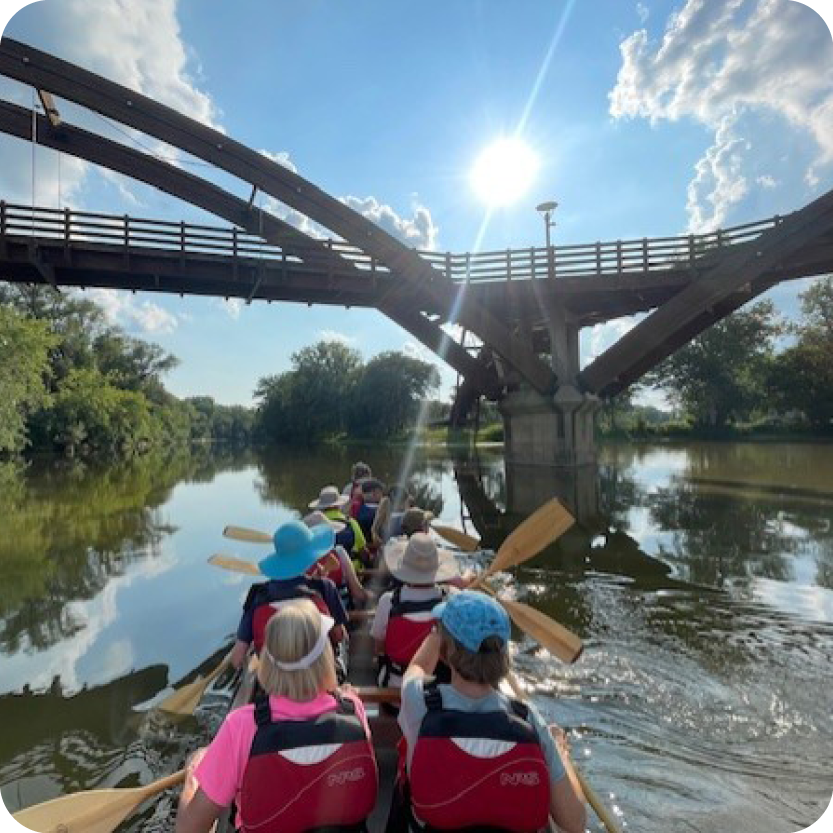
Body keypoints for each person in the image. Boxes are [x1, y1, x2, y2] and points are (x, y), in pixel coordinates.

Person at [176, 601, 378, 833]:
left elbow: (189, 829)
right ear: (326, 657)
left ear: (268, 662)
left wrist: (194, 777)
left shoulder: (241, 726)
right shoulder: (353, 708)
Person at [393, 591, 587, 833]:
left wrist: (436, 635)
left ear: (444, 652)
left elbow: (418, 666)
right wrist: (560, 750)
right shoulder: (529, 719)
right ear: (504, 656)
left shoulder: (418, 700)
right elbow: (574, 822)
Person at [229, 519, 348, 670]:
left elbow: (237, 658)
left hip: (274, 682)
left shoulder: (257, 595)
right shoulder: (324, 587)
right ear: (310, 556)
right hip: (318, 677)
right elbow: (338, 636)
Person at [371, 533, 460, 688]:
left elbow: (378, 647)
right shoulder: (453, 598)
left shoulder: (388, 601)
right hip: (441, 695)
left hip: (395, 694)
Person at [303, 510, 369, 609]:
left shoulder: (298, 560)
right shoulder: (339, 552)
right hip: (341, 612)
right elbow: (357, 593)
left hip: (312, 615)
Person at [308, 484, 369, 567]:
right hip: (351, 567)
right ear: (339, 505)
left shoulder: (314, 524)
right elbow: (363, 552)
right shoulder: (351, 522)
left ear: (321, 506)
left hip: (324, 569)